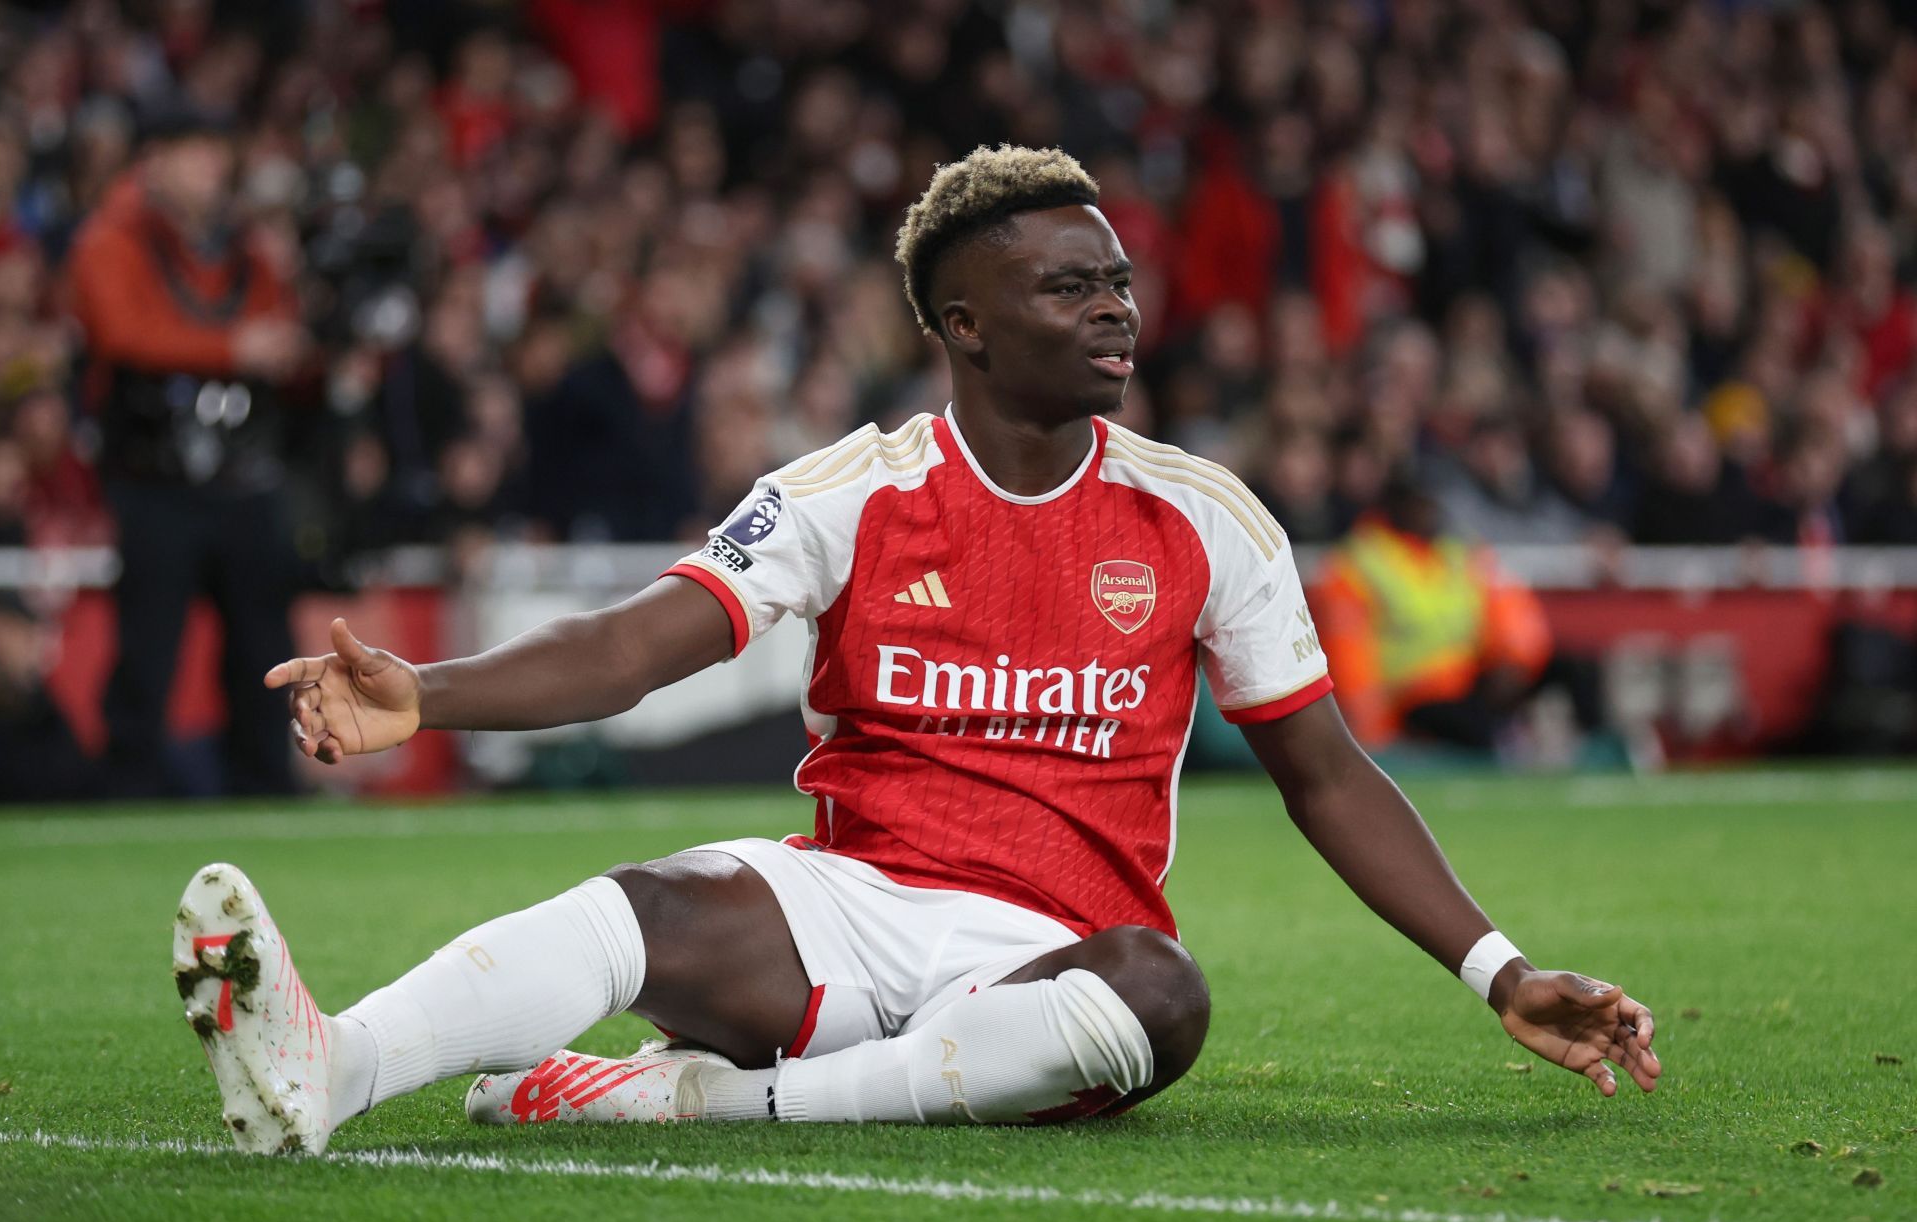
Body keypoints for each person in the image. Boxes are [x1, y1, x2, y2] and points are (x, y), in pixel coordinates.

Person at [172, 147, 1657, 1156]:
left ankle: (708, 1106)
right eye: (1069, 287)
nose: (1114, 310)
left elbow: (1326, 775)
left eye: (1119, 283)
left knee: (1165, 998)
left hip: (1049, 961)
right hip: (854, 905)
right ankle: (330, 1068)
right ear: (965, 321)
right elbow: (635, 650)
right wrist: (428, 695)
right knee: (648, 903)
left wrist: (1500, 972)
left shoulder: (1206, 520)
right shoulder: (855, 491)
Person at [66, 104, 310, 797]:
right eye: (194, 152)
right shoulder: (112, 239)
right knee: (148, 651)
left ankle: (267, 788)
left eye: (216, 152)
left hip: (244, 474)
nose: (212, 167)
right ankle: (128, 794)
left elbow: (283, 334)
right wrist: (234, 349)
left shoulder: (247, 248)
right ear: (154, 162)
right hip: (155, 479)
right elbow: (123, 334)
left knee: (263, 652)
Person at [1316, 473, 1602, 753]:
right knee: (1472, 728)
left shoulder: (1458, 552)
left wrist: (1512, 662)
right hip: (1414, 693)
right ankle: (1516, 747)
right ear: (1397, 504)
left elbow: (1511, 613)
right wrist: (1372, 729)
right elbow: (1347, 654)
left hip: (1472, 680)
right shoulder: (1361, 560)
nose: (1431, 511)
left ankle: (1595, 752)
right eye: (1422, 503)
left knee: (1574, 668)